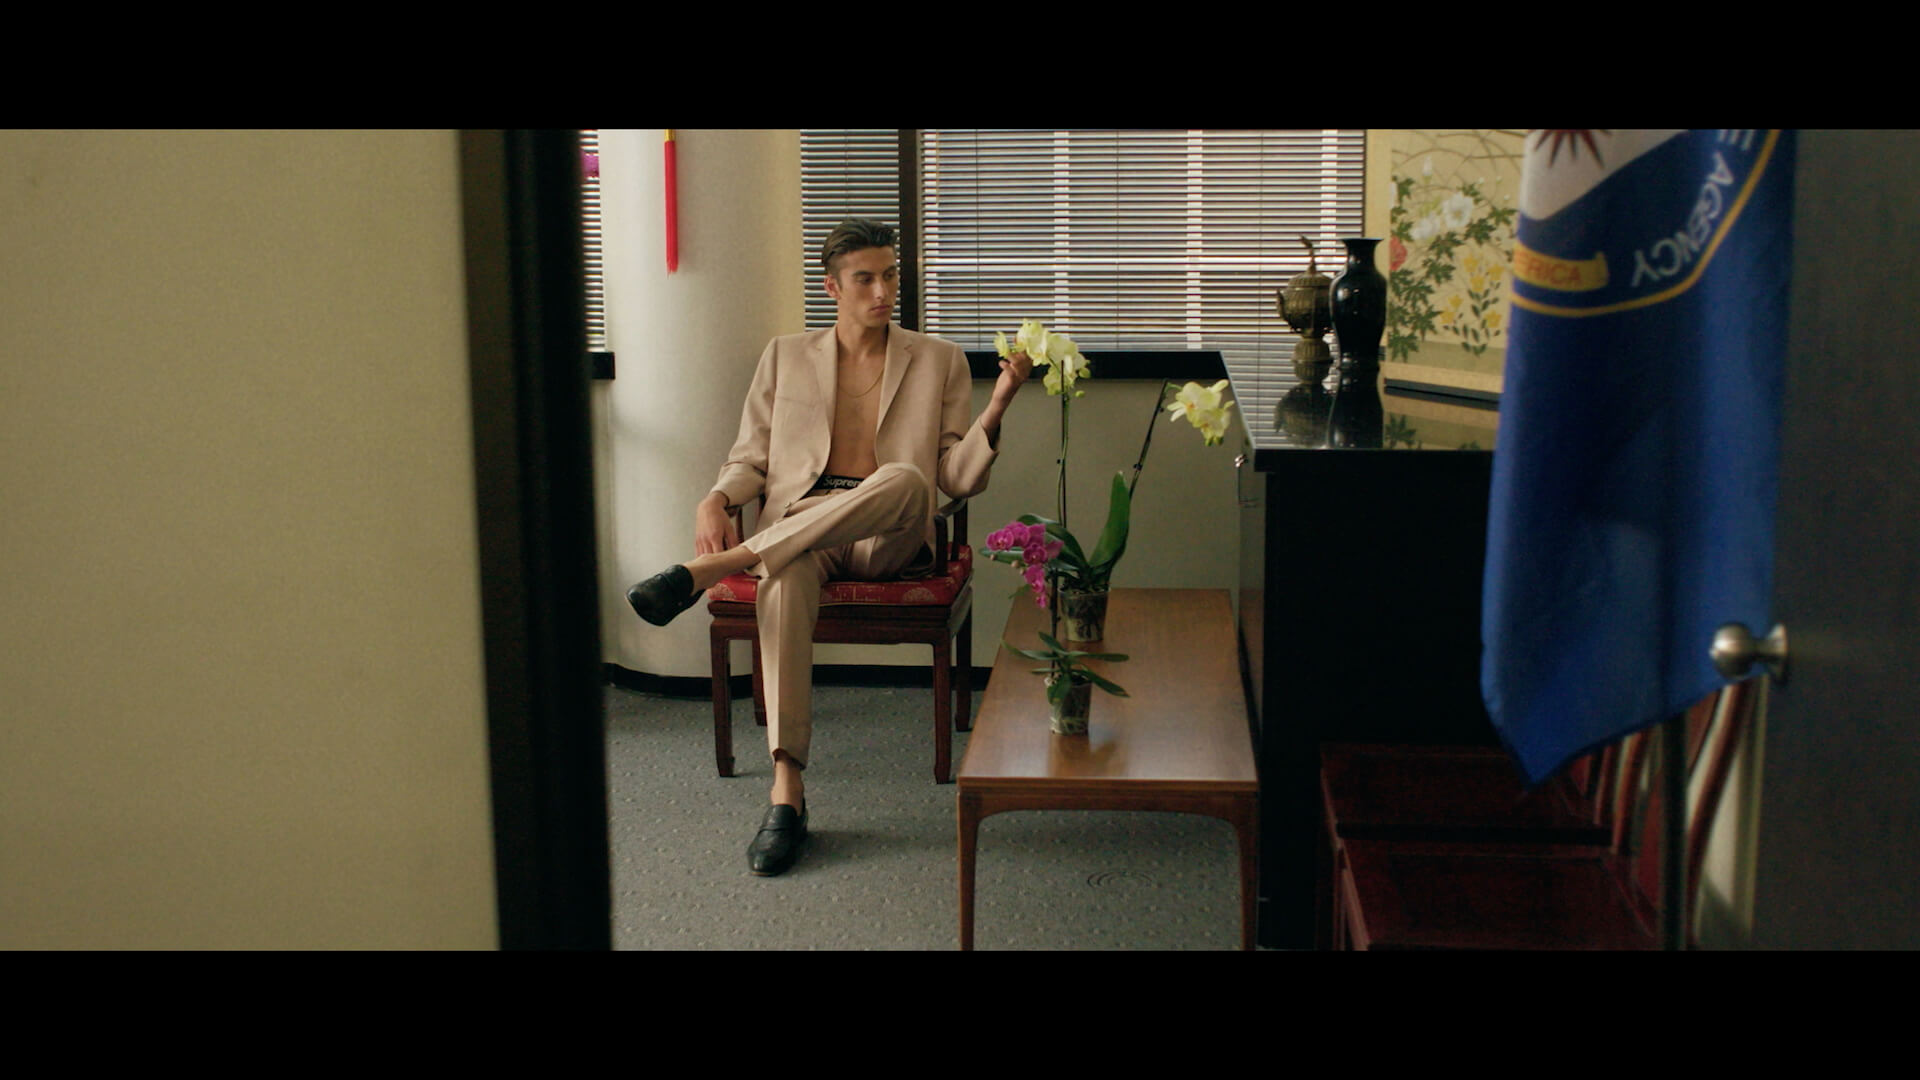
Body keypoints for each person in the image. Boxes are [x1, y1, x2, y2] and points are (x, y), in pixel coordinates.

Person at [626, 218, 1034, 876]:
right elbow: (750, 459)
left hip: (887, 534)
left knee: (905, 478)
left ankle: (712, 569)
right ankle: (786, 791)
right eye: (865, 279)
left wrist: (999, 406)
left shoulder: (939, 359)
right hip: (800, 530)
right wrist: (715, 499)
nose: (883, 291)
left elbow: (954, 479)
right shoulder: (785, 356)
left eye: (890, 275)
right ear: (832, 288)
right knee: (783, 576)